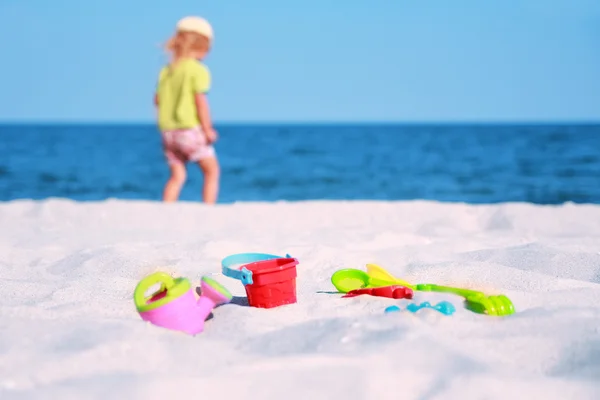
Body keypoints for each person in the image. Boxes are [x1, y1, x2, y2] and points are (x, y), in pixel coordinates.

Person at [154, 16, 220, 203]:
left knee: (177, 175)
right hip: (189, 129)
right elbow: (200, 102)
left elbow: (157, 99)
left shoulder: (167, 71)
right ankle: (209, 207)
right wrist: (207, 129)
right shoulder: (197, 70)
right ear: (203, 47)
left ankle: (166, 208)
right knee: (211, 171)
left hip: (168, 132)